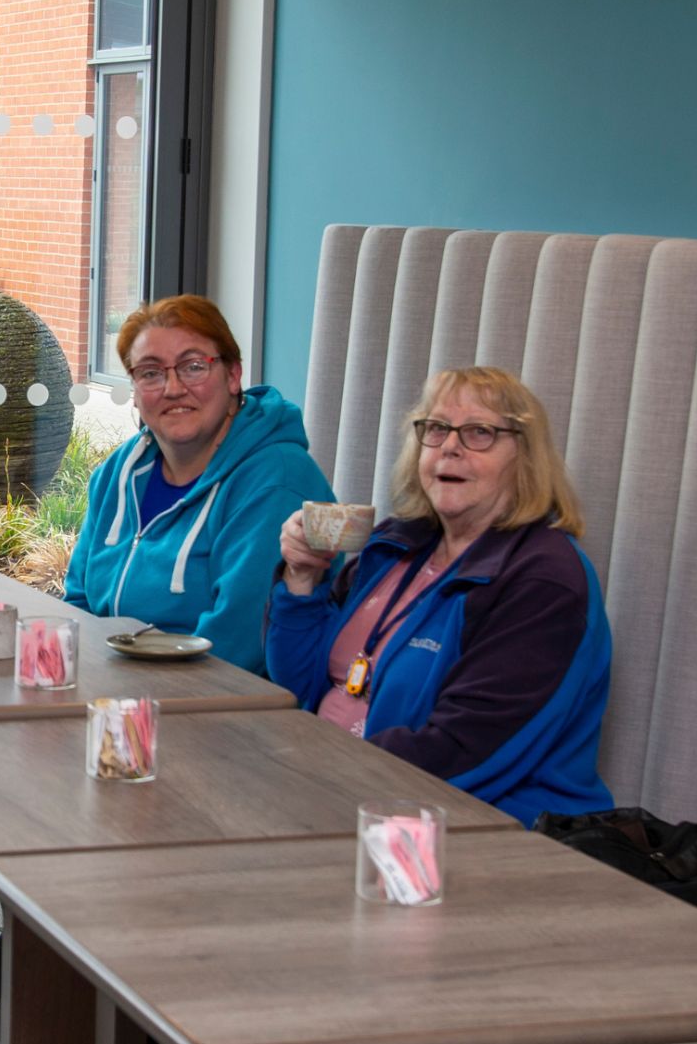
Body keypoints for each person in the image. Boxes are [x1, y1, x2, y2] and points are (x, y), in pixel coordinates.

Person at [266, 366, 612, 825]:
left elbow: (462, 751)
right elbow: (298, 685)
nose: (450, 445)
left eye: (480, 432)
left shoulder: (544, 582)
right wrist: (301, 577)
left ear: (525, 458)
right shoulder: (394, 544)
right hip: (347, 795)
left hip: (473, 830)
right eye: (437, 428)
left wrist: (310, 777)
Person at [64, 295, 330, 674]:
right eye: (150, 373)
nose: (173, 388)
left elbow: (237, 650)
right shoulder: (117, 473)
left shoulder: (277, 481)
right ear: (135, 391)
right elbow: (77, 605)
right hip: (117, 688)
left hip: (223, 700)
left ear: (233, 375)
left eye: (193, 367)